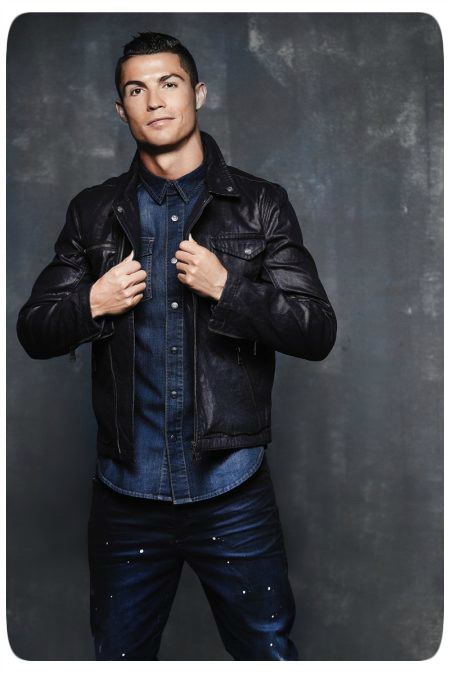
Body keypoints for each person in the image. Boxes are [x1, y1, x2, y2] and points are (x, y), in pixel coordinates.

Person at [16, 31, 337, 661]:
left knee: (268, 657)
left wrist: (230, 289)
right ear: (121, 110)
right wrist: (90, 303)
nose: (155, 100)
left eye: (169, 83)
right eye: (137, 90)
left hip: (232, 490)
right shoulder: (92, 212)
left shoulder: (260, 204)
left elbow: (316, 329)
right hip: (126, 497)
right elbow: (34, 329)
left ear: (198, 93)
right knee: (119, 658)